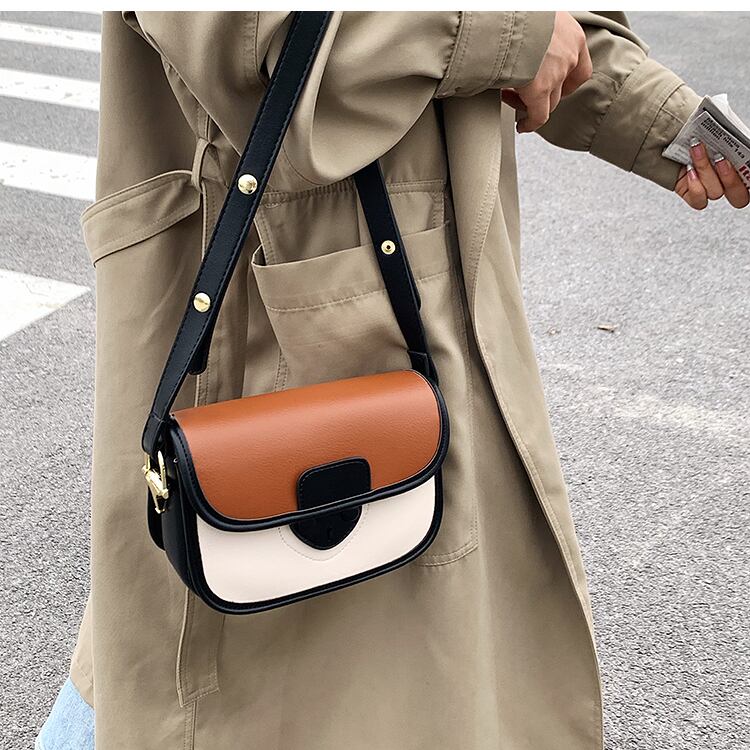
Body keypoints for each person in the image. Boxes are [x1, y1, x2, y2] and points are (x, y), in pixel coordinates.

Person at [36, 10, 747, 750]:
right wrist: (511, 32)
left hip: (422, 296)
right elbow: (245, 28)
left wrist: (686, 129)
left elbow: (560, 38)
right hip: (266, 296)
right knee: (221, 657)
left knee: (283, 653)